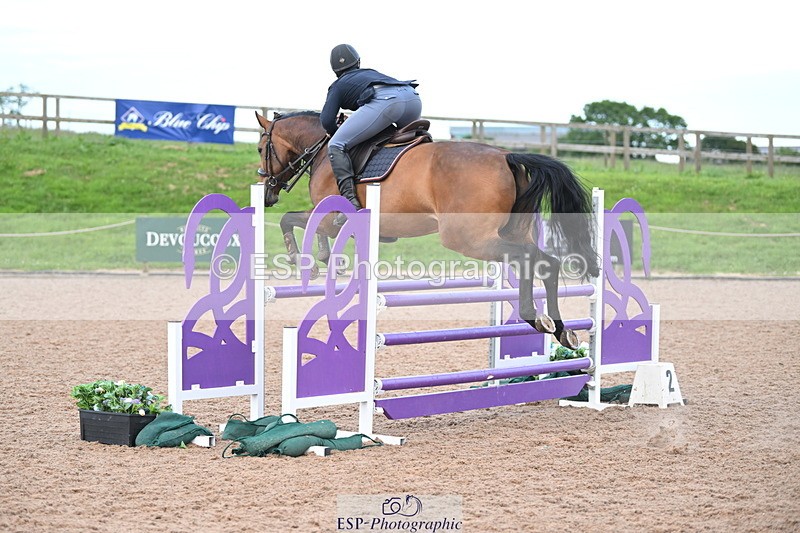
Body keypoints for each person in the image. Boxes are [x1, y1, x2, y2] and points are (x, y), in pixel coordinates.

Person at [321, 44, 422, 224]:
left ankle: (350, 205)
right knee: (405, 141)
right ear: (358, 62)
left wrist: (336, 133)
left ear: (335, 70)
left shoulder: (337, 85)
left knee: (336, 144)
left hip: (387, 102)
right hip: (412, 97)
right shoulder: (370, 73)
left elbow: (327, 121)